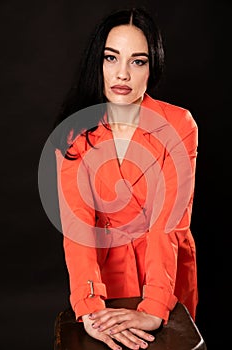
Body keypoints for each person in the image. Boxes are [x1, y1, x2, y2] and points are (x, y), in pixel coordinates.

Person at [54, 7, 198, 350]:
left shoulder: (179, 126)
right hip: (104, 274)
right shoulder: (73, 133)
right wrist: (89, 307)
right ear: (97, 63)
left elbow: (169, 223)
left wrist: (156, 305)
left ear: (153, 67)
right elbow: (78, 232)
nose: (122, 73)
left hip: (166, 270)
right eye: (111, 57)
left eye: (138, 61)